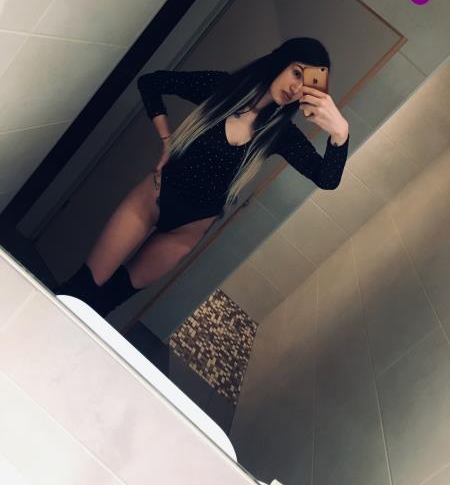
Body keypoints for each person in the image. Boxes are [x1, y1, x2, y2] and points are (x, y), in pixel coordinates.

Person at [55, 38, 350, 317]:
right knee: (81, 290)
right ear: (281, 62)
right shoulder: (221, 88)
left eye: (306, 85)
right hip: (152, 199)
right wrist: (167, 140)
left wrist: (340, 133)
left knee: (105, 302)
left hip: (185, 231)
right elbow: (151, 83)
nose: (296, 88)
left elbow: (326, 178)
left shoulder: (282, 135)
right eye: (296, 72)